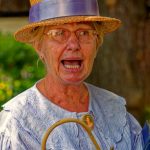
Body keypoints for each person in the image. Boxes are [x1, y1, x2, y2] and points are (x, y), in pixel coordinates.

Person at [0, 0, 144, 149]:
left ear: (97, 43)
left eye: (84, 33)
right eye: (58, 33)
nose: (74, 45)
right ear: (39, 47)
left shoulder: (115, 110)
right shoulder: (18, 124)